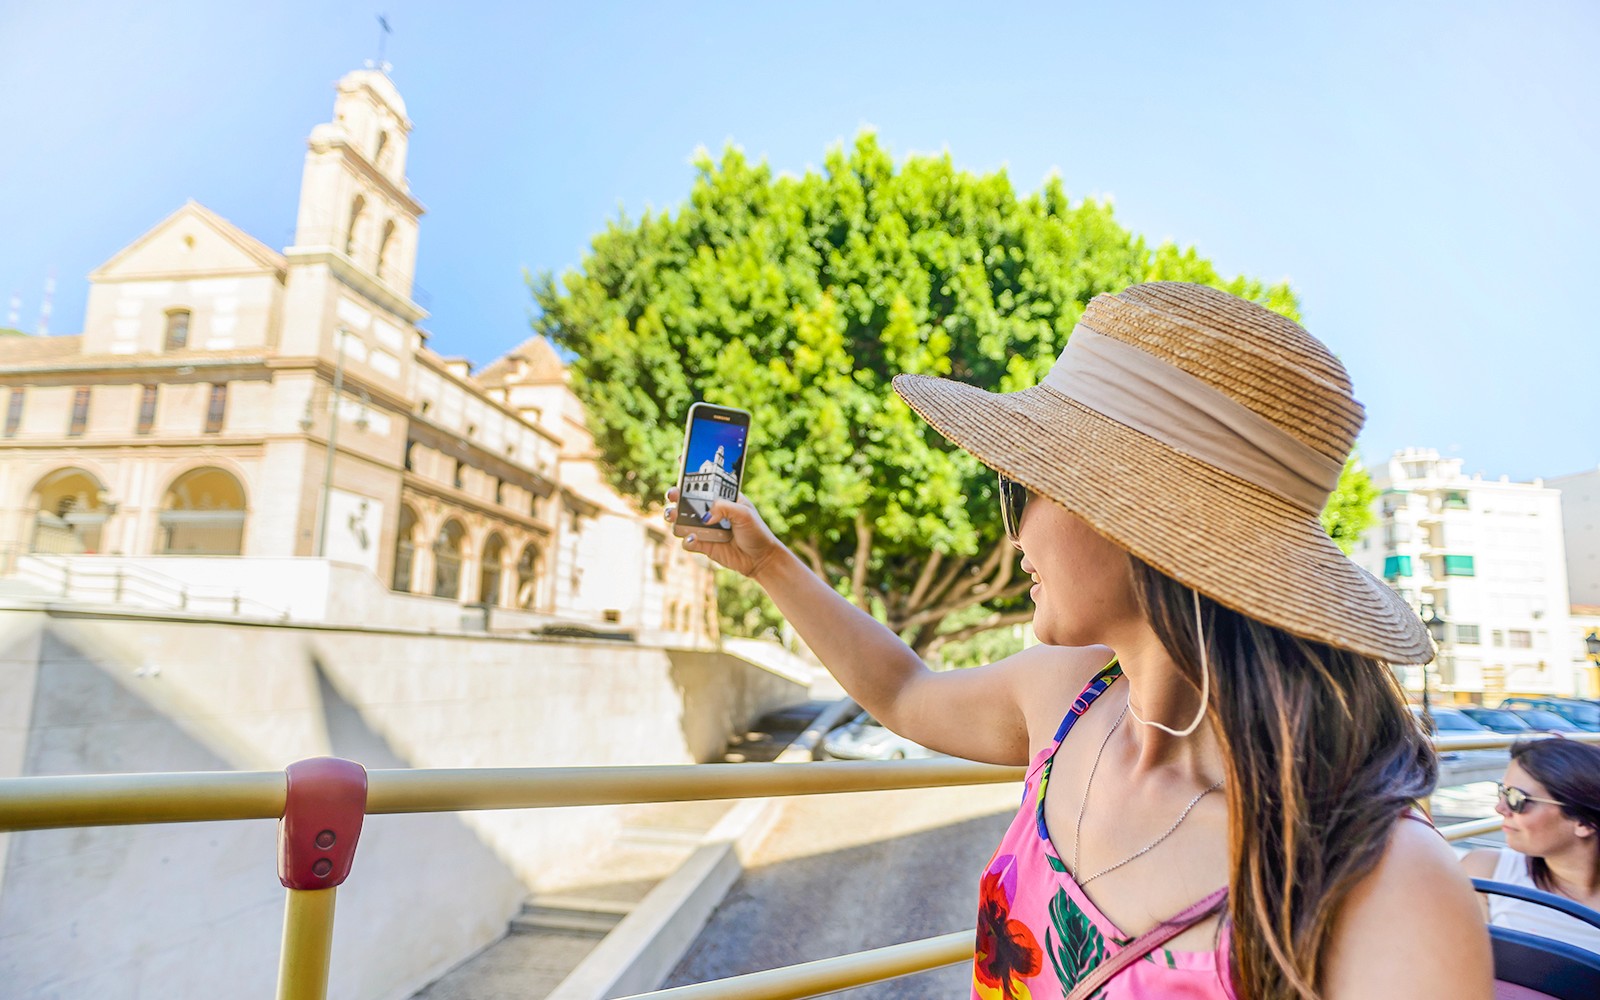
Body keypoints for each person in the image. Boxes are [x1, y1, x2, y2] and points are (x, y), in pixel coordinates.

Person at [667, 282, 1491, 998]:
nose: (1014, 528)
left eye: (1029, 483)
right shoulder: (1065, 696)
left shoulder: (1390, 888)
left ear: (1135, 522)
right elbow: (903, 693)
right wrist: (769, 564)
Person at [1461, 737, 1600, 952]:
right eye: (1503, 792)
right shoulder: (1485, 873)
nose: (1500, 807)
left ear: (1584, 822)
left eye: (1517, 799)